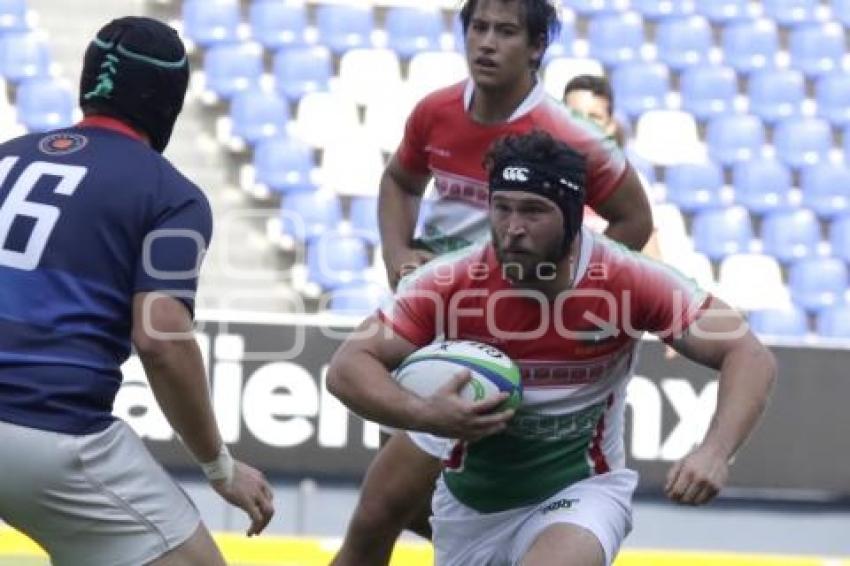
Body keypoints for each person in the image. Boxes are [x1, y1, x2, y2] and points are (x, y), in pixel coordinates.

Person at [327, 130, 776, 566]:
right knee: (373, 520)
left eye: (533, 211)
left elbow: (749, 355)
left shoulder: (629, 279)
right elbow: (348, 366)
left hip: (581, 492)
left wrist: (715, 451)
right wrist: (423, 414)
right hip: (469, 508)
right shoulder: (448, 281)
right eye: (501, 208)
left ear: (573, 215)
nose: (513, 228)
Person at [334, 0, 653, 563]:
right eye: (477, 27)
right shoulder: (434, 111)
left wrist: (566, 298)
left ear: (536, 47)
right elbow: (400, 181)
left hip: (511, 346)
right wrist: (398, 254)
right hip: (444, 326)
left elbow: (635, 219)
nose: (485, 42)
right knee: (384, 510)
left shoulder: (567, 138)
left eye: (505, 31)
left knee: (387, 504)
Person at [0, 17, 273, 566]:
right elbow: (161, 341)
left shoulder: (7, 155)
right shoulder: (170, 194)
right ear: (167, 101)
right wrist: (219, 466)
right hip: (49, 430)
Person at [561, 74, 663, 260]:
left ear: (610, 126)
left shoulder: (632, 184)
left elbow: (652, 262)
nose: (583, 124)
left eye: (594, 117)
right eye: (574, 114)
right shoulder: (538, 181)